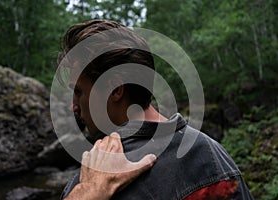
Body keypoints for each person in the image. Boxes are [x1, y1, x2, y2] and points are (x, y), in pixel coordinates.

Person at [57, 20, 253, 199]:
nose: (74, 105)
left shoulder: (94, 182)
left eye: (78, 91)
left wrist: (87, 190)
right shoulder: (213, 155)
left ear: (115, 89)